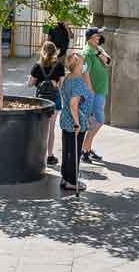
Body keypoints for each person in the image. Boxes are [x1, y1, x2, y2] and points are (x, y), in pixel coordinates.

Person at [59, 51, 96, 191]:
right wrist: (77, 122)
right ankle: (72, 181)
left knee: (67, 150)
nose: (85, 64)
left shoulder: (68, 77)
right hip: (75, 122)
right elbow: (73, 104)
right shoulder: (78, 82)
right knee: (74, 152)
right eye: (82, 62)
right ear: (78, 65)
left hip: (66, 120)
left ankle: (65, 177)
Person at [30, 41, 66, 166]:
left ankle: (37, 155)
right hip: (54, 99)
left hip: (41, 100)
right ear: (55, 50)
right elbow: (61, 85)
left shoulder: (37, 66)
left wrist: (38, 82)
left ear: (43, 51)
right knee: (51, 128)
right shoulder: (60, 66)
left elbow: (30, 83)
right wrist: (54, 83)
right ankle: (49, 156)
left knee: (40, 128)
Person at [82, 28, 111, 163]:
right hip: (95, 93)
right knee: (98, 121)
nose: (99, 37)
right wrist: (91, 90)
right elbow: (85, 72)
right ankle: (85, 150)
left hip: (100, 91)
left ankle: (87, 148)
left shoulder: (97, 49)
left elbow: (108, 62)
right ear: (89, 38)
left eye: (99, 35)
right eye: (96, 36)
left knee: (94, 122)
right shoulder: (87, 52)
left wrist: (99, 52)